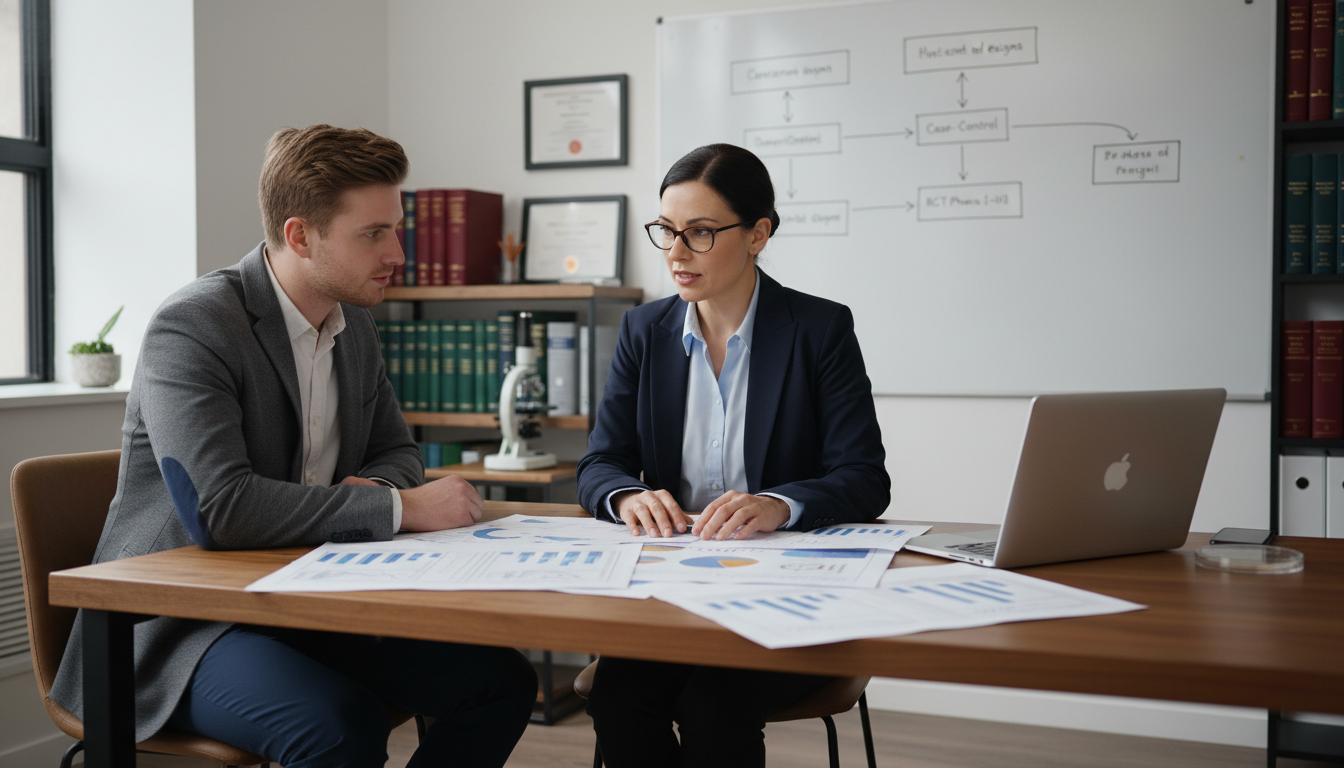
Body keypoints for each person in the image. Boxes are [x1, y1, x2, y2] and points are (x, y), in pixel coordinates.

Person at [50, 125, 537, 767]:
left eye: (397, 227)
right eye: (374, 233)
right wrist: (397, 510)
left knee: (499, 680)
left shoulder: (354, 323)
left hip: (308, 599)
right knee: (338, 726)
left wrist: (384, 489)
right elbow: (221, 509)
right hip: (182, 626)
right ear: (300, 235)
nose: (399, 252)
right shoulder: (194, 325)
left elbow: (397, 454)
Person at [575, 143, 891, 768]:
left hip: (784, 594)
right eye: (666, 231)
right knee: (617, 699)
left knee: (714, 706)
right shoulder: (644, 331)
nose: (675, 253)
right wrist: (628, 495)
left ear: (758, 234)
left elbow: (864, 478)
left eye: (699, 233)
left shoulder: (819, 329)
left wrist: (779, 505)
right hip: (674, 594)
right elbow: (599, 464)